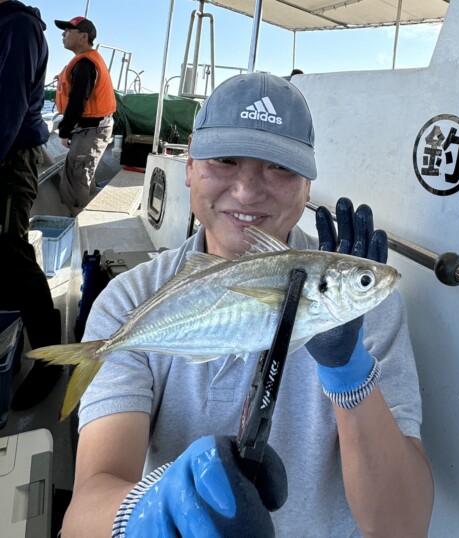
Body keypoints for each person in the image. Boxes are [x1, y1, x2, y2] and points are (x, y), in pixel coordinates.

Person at [61, 73, 434, 537]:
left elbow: (403, 527)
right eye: (224, 160)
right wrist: (153, 512)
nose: (247, 191)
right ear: (190, 166)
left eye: (279, 167)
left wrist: (349, 372)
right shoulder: (131, 300)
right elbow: (82, 519)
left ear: (306, 185)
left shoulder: (364, 313)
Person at [0, 0, 63, 411]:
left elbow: (8, 104)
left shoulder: (18, 26)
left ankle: (50, 357)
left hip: (10, 157)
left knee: (10, 251)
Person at [54, 16, 116, 216]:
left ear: (83, 36)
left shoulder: (85, 65)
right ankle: (85, 213)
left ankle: (79, 222)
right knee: (82, 175)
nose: (63, 35)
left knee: (77, 177)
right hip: (92, 127)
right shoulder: (85, 62)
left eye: (68, 31)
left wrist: (65, 131)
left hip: (91, 129)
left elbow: (77, 101)